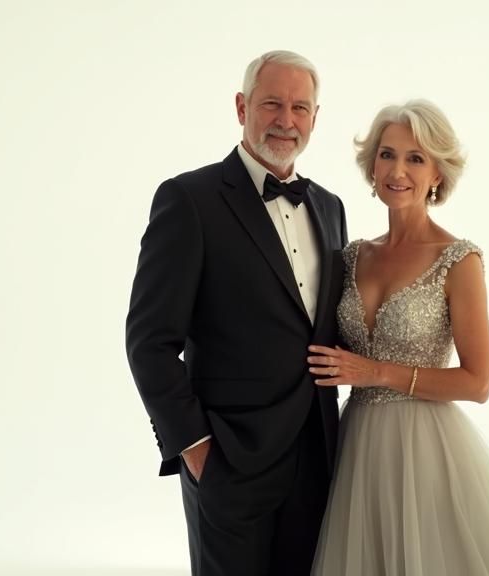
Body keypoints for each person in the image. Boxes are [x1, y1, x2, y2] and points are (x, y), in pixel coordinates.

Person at [308, 100, 489, 575]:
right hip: (356, 446)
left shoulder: (458, 260)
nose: (398, 170)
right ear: (372, 166)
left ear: (438, 174)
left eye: (416, 158)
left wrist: (373, 372)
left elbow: (478, 383)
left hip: (426, 450)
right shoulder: (351, 256)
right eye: (387, 155)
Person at [125, 50, 348, 576]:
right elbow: (149, 340)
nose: (285, 120)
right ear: (242, 106)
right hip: (228, 459)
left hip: (318, 459)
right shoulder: (189, 199)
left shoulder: (331, 207)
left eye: (300, 107)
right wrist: (195, 447)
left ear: (316, 117)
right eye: (272, 103)